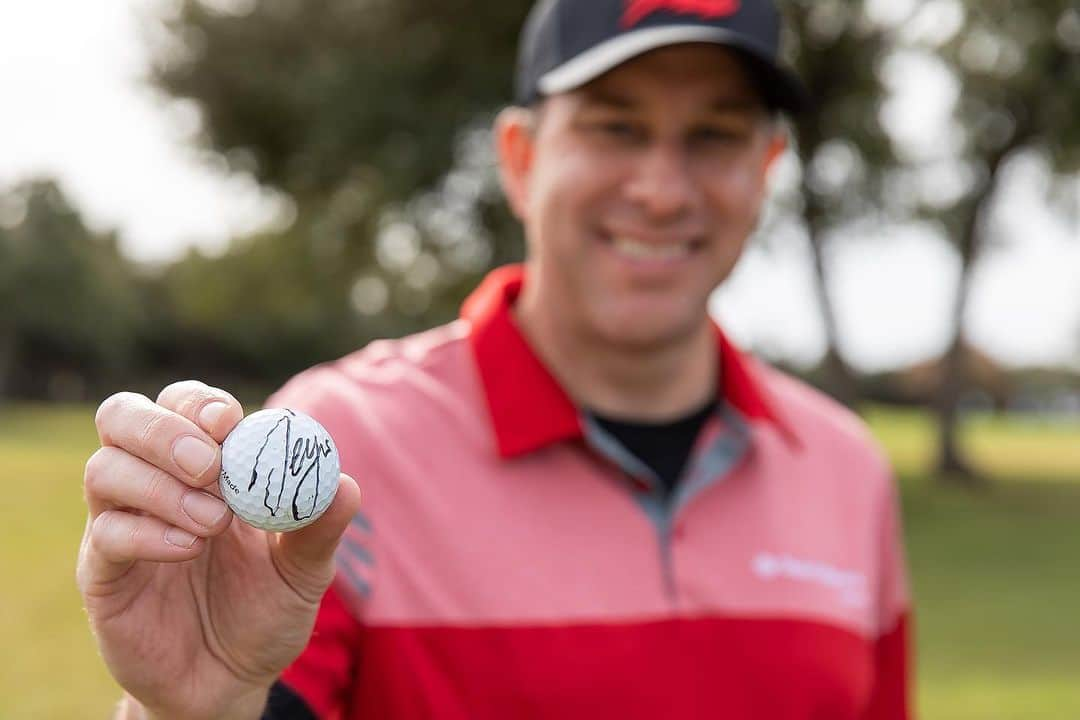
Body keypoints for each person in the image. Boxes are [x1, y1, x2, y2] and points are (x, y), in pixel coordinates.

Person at [78, 0, 912, 717]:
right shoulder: (347, 442)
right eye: (615, 126)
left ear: (765, 170)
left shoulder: (847, 470)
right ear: (520, 159)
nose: (663, 189)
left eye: (715, 135)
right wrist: (195, 712)